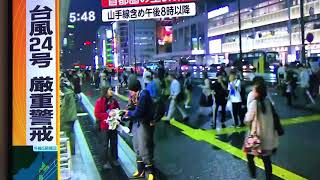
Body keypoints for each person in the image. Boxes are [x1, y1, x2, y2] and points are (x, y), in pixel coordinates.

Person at [244, 83, 279, 180]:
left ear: (257, 93)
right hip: (268, 136)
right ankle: (269, 178)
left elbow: (247, 119)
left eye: (254, 90)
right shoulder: (268, 102)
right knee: (266, 160)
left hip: (256, 138)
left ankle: (253, 176)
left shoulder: (254, 104)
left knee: (250, 156)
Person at [125, 79, 155, 180]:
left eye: (130, 90)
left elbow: (139, 112)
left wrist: (128, 113)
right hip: (136, 123)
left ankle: (150, 171)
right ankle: (140, 170)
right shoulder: (134, 97)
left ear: (135, 89)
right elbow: (133, 110)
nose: (130, 93)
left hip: (144, 123)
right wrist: (126, 111)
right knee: (136, 146)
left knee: (144, 147)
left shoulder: (144, 96)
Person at [94, 85, 120, 169]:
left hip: (113, 125)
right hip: (104, 126)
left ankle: (114, 159)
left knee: (114, 143)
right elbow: (97, 114)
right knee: (105, 144)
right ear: (105, 91)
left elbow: (118, 109)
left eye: (111, 89)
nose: (111, 91)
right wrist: (107, 115)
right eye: (109, 90)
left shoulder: (114, 101)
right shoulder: (99, 101)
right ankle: (105, 161)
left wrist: (116, 112)